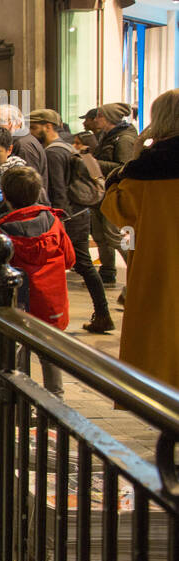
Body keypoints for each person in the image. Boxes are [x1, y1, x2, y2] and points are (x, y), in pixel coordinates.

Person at [101, 89, 179, 391]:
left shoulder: (148, 167)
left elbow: (117, 209)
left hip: (160, 269)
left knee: (161, 347)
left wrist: (134, 157)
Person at [0, 167, 75, 397]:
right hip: (52, 305)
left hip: (18, 307)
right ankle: (56, 406)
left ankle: (16, 402)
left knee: (15, 354)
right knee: (50, 356)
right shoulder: (54, 222)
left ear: (5, 196)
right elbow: (70, 260)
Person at [29, 108, 113, 334]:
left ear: (48, 126)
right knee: (84, 265)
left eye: (35, 127)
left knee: (74, 266)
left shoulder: (54, 153)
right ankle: (102, 314)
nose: (31, 131)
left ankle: (92, 314)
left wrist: (58, 223)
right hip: (80, 214)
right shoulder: (66, 147)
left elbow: (57, 190)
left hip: (69, 218)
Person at [89, 102, 137, 289]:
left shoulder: (123, 139)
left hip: (115, 191)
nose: (95, 119)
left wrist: (94, 162)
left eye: (99, 115)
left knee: (113, 235)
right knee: (100, 234)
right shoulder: (107, 137)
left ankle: (134, 270)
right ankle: (107, 272)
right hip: (103, 191)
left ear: (108, 117)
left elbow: (124, 166)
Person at [0, 104, 48, 190]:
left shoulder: (23, 145)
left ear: (17, 123)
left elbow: (27, 184)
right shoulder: (18, 142)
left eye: (0, 121)